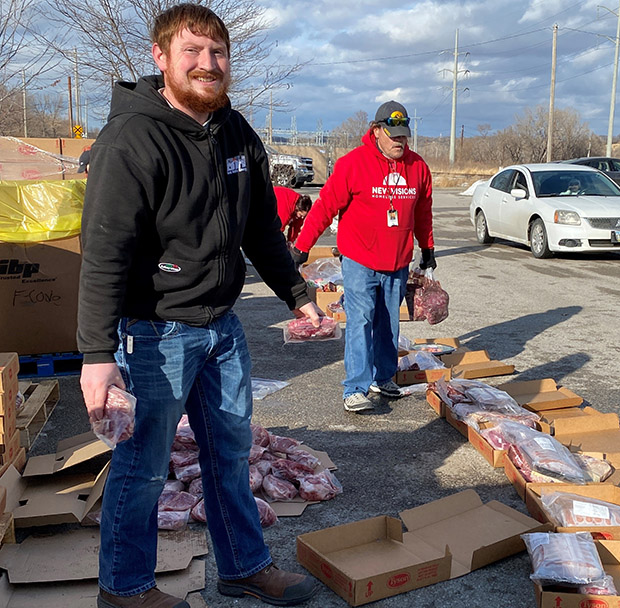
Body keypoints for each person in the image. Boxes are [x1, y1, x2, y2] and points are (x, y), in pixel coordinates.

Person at [77, 4, 322, 607]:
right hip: (154, 333)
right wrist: (96, 355)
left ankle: (242, 566)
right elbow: (104, 252)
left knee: (230, 452)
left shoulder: (235, 130)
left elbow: (262, 226)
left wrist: (296, 293)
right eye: (193, 51)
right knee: (142, 468)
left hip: (222, 329)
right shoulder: (132, 138)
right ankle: (126, 589)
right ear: (161, 58)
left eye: (217, 52)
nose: (207, 64)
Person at [293, 100, 435, 413]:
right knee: (361, 321)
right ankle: (355, 388)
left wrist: (428, 248)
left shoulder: (418, 167)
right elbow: (325, 206)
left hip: (397, 263)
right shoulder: (352, 164)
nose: (400, 141)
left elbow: (423, 212)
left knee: (388, 323)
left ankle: (383, 377)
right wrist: (302, 247)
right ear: (376, 131)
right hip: (359, 261)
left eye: (404, 135)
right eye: (393, 135)